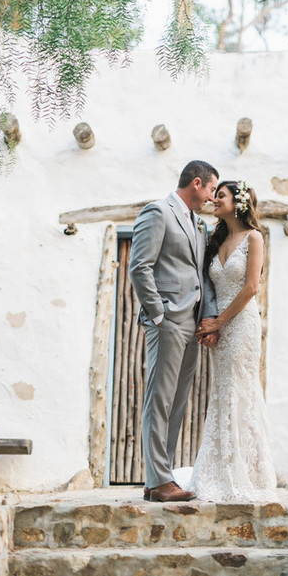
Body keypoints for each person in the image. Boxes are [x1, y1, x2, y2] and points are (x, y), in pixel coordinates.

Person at [129, 160, 219, 503]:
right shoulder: (158, 212)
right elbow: (140, 266)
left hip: (192, 322)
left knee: (178, 401)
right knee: (160, 398)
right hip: (167, 321)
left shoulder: (199, 225)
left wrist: (208, 317)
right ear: (196, 183)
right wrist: (158, 313)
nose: (212, 197)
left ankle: (158, 481)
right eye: (211, 189)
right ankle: (160, 479)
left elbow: (202, 275)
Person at [192, 180, 278, 502]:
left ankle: (250, 472)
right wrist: (212, 325)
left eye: (221, 196)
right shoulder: (218, 241)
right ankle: (220, 466)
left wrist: (221, 321)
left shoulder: (254, 238)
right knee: (222, 391)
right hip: (221, 325)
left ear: (239, 202)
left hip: (242, 326)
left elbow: (251, 288)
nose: (214, 199)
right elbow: (211, 287)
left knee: (241, 390)